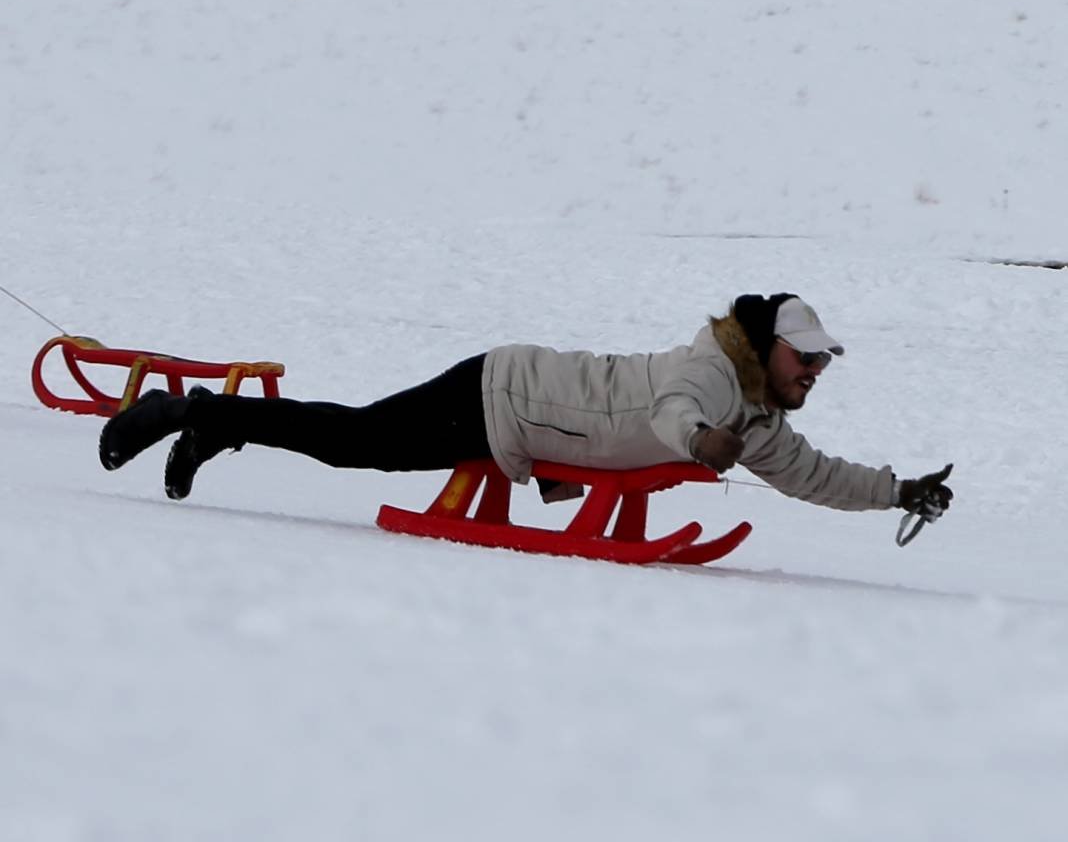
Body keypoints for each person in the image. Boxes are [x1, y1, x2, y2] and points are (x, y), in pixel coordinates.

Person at [98, 292, 954, 526]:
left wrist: (897, 490)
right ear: (769, 348)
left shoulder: (760, 416)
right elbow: (671, 414)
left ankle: (217, 423)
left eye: (823, 362)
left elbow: (811, 475)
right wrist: (700, 440)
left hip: (516, 407)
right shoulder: (708, 377)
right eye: (807, 356)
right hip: (501, 393)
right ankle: (198, 410)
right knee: (355, 443)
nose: (815, 371)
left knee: (353, 440)